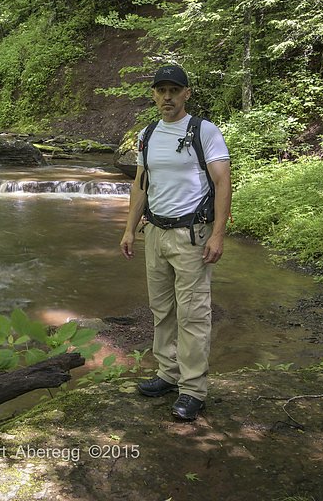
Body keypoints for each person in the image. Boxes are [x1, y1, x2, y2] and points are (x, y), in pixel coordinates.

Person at [119, 64, 232, 421]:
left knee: (194, 314)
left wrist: (218, 233)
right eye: (161, 90)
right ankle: (168, 374)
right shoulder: (148, 134)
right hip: (155, 233)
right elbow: (141, 184)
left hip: (192, 235)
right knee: (162, 310)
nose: (167, 97)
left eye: (174, 90)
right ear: (153, 94)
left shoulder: (204, 131)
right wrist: (129, 229)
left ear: (186, 93)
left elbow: (223, 181)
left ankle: (193, 389)